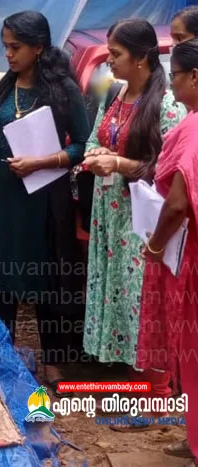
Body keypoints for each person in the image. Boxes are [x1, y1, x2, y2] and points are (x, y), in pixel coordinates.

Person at [0, 11, 90, 393]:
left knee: (45, 278)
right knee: (2, 278)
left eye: (15, 47)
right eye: (5, 46)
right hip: (4, 202)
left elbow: (84, 146)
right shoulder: (4, 86)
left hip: (45, 203)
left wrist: (42, 162)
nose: (8, 54)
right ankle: (4, 358)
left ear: (38, 48)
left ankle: (52, 363)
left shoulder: (63, 90)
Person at [82, 19, 186, 431]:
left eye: (116, 54)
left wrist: (120, 164)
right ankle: (138, 387)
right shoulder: (116, 93)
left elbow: (174, 171)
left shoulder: (167, 105)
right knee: (123, 303)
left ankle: (157, 398)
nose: (109, 61)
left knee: (146, 303)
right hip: (110, 216)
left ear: (142, 57)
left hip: (143, 221)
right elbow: (95, 138)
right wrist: (95, 155)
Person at [136, 38, 198, 466]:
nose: (171, 83)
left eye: (174, 75)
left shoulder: (194, 129)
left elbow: (177, 203)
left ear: (195, 76)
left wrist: (156, 245)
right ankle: (193, 436)